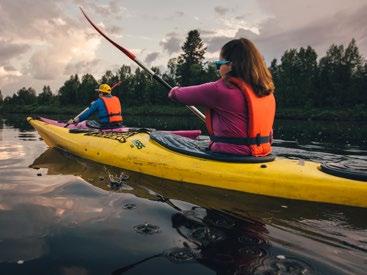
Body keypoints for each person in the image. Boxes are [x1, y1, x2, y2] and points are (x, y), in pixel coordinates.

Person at [168, 38, 275, 156]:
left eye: (219, 64)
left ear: (231, 65)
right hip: (262, 154)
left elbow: (178, 95)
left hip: (229, 156)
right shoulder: (266, 93)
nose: (218, 70)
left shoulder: (220, 89)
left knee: (162, 138)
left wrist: (174, 90)